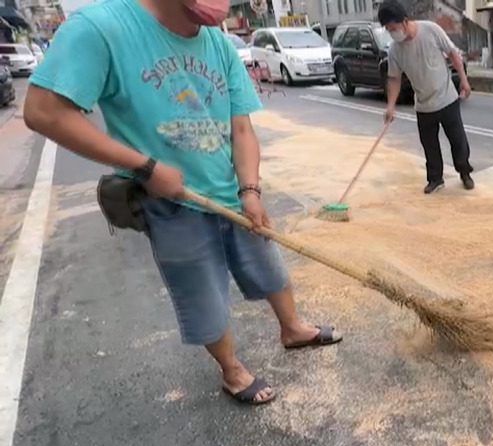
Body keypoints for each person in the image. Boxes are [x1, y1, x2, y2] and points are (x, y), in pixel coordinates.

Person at [23, 0, 343, 406]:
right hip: (171, 202)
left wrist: (249, 190)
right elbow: (44, 112)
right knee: (201, 293)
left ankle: (292, 328)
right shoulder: (101, 27)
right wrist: (145, 166)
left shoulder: (218, 43)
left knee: (267, 264)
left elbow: (241, 129)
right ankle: (231, 370)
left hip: (230, 191)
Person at [378, 1, 475, 195]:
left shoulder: (431, 30)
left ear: (404, 21)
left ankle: (464, 173)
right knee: (429, 146)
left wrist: (464, 80)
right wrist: (390, 106)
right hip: (423, 105)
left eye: (393, 28)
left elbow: (452, 54)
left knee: (458, 140)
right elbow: (394, 79)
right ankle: (435, 179)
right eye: (388, 30)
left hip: (447, 98)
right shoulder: (395, 50)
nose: (392, 33)